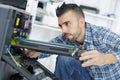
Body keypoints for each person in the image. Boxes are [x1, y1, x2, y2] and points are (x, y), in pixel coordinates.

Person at [25, 2, 120, 80]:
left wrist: (105, 58)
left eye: (67, 24)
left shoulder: (102, 35)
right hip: (88, 77)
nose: (63, 30)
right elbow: (49, 47)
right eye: (61, 26)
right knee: (64, 59)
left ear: (81, 22)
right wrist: (34, 52)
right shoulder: (67, 37)